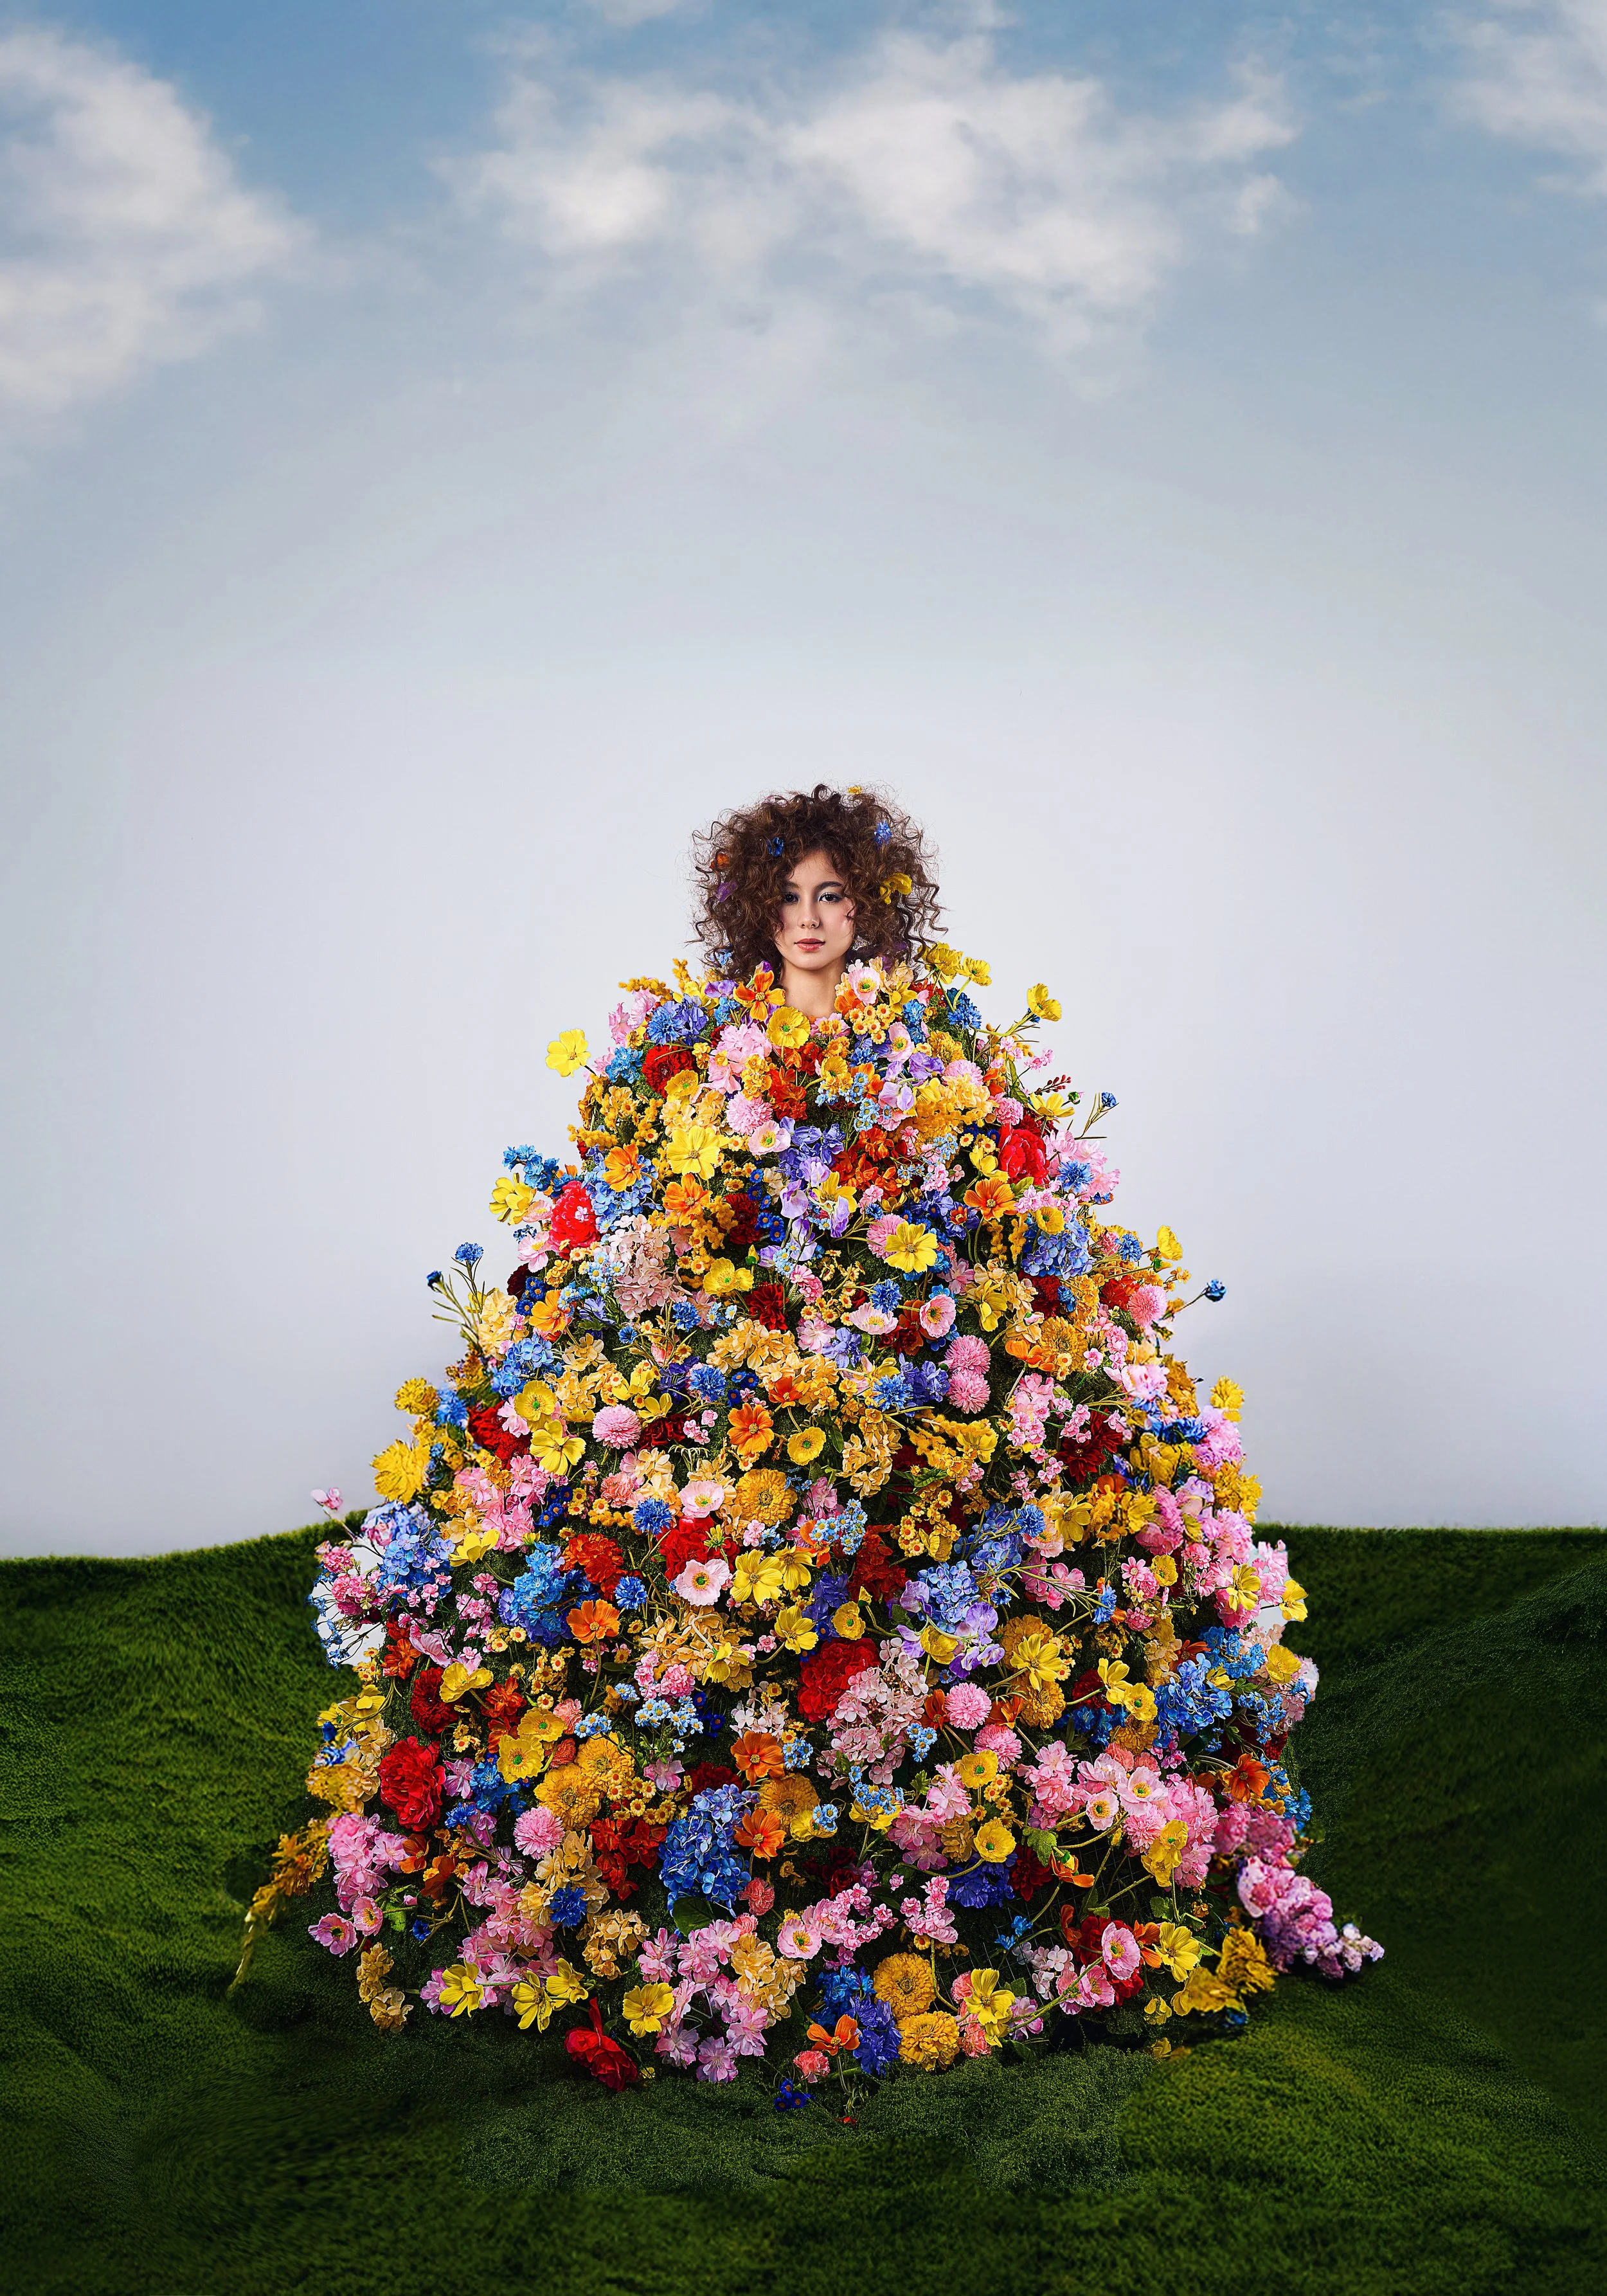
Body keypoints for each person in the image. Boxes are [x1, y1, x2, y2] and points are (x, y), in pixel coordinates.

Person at [271, 782, 1378, 2086]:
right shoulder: (692, 1059)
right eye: (788, 898)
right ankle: (721, 1894)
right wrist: (668, 1307)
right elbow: (655, 1227)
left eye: (832, 896)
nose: (809, 920)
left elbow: (984, 1216)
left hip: (914, 1415)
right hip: (735, 1407)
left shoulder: (930, 1042)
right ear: (752, 910)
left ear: (870, 903)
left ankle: (937, 1884)